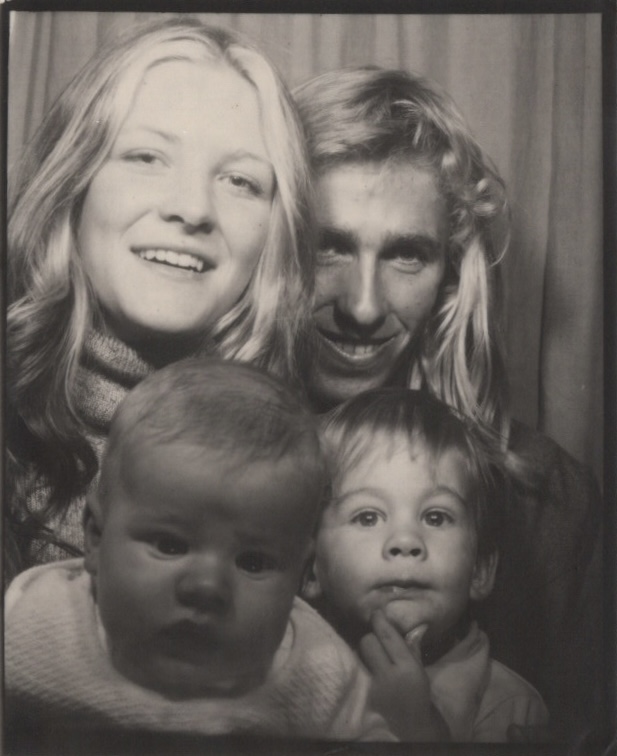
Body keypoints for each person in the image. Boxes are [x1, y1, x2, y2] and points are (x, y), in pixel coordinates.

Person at [294, 67, 605, 744]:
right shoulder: (187, 466)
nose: (363, 305)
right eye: (329, 247)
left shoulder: (542, 501)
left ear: (448, 275)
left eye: (406, 255)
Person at [6, 17, 315, 581]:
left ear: (276, 233)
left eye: (240, 181)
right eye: (147, 158)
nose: (193, 208)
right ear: (71, 183)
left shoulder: (309, 472)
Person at [5, 358, 393, 745]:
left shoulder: (316, 672)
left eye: (253, 562)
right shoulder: (37, 624)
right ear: (95, 536)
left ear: (302, 574)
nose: (208, 587)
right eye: (170, 545)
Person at [304, 388, 549, 742]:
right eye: (368, 517)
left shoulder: (511, 711)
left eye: (435, 517)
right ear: (311, 567)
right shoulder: (285, 683)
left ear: (480, 568)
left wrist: (416, 730)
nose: (406, 542)